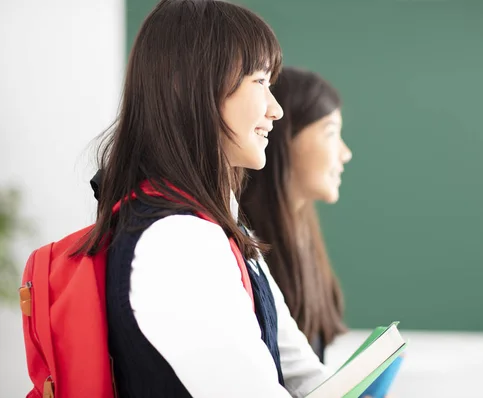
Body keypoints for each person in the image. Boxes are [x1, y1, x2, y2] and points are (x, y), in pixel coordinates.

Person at [79, 2, 329, 397]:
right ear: (196, 87)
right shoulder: (176, 242)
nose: (275, 109)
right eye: (259, 82)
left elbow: (303, 374)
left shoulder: (215, 223)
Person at [241, 66, 402, 398]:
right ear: (285, 139)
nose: (345, 153)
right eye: (330, 133)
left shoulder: (302, 238)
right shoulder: (245, 249)